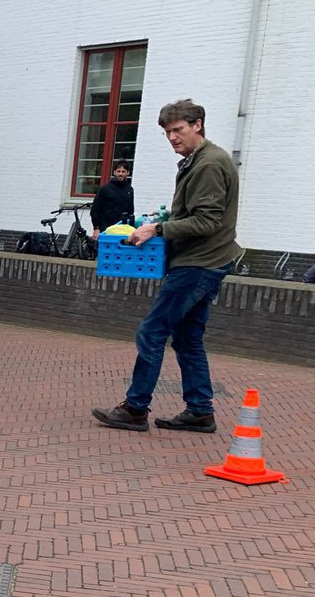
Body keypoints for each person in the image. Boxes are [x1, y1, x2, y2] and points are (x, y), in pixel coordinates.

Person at [93, 99, 240, 435]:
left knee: (153, 331)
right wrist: (162, 218)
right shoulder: (199, 160)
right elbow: (195, 213)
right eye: (167, 132)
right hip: (208, 260)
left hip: (198, 263)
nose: (172, 137)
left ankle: (135, 408)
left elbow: (206, 221)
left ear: (197, 125)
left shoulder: (208, 164)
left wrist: (157, 229)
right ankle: (200, 411)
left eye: (178, 130)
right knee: (187, 338)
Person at [90, 161, 135, 238]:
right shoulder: (105, 189)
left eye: (123, 171)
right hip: (106, 228)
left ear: (128, 173)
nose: (120, 174)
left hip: (123, 228)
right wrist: (96, 228)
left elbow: (131, 209)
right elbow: (95, 209)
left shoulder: (129, 189)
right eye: (118, 171)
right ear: (114, 172)